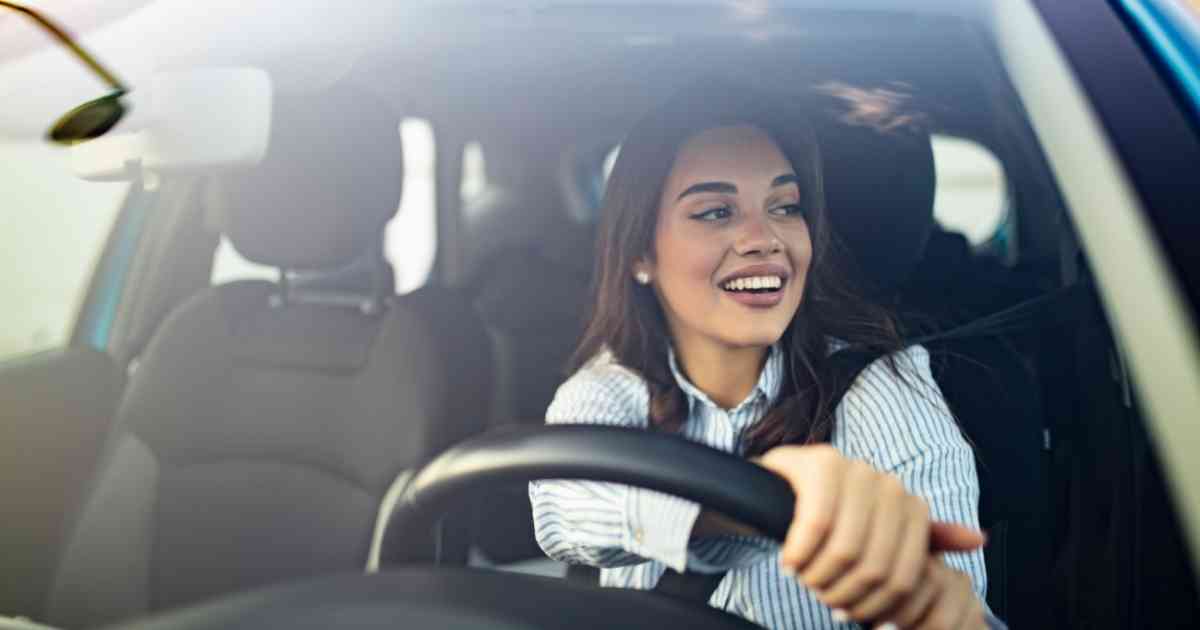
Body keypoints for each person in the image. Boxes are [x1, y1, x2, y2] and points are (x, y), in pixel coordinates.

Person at [528, 84, 1000, 630]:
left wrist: (913, 593)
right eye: (716, 212)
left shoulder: (881, 387)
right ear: (640, 254)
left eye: (785, 207)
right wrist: (753, 503)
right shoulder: (612, 385)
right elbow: (565, 510)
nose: (764, 238)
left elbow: (949, 606)